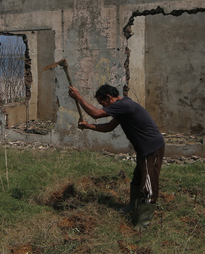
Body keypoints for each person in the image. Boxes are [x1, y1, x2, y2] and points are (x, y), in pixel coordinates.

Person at [68, 84, 165, 230]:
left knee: (148, 184)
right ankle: (132, 206)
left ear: (109, 97)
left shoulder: (123, 105)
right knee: (138, 178)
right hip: (144, 149)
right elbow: (109, 127)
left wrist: (78, 97)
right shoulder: (123, 107)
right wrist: (88, 126)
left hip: (151, 148)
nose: (103, 107)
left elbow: (96, 114)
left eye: (103, 103)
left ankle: (143, 223)